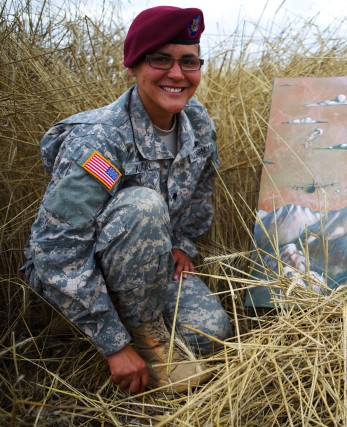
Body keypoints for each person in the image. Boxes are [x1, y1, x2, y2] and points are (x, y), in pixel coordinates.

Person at [20, 6, 233, 394]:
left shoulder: (197, 122)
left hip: (148, 267)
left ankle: (138, 319)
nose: (176, 74)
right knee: (142, 204)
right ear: (134, 65)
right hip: (80, 271)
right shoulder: (98, 141)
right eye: (160, 60)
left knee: (210, 334)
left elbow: (201, 187)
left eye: (189, 62)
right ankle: (144, 340)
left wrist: (181, 244)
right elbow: (54, 249)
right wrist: (114, 344)